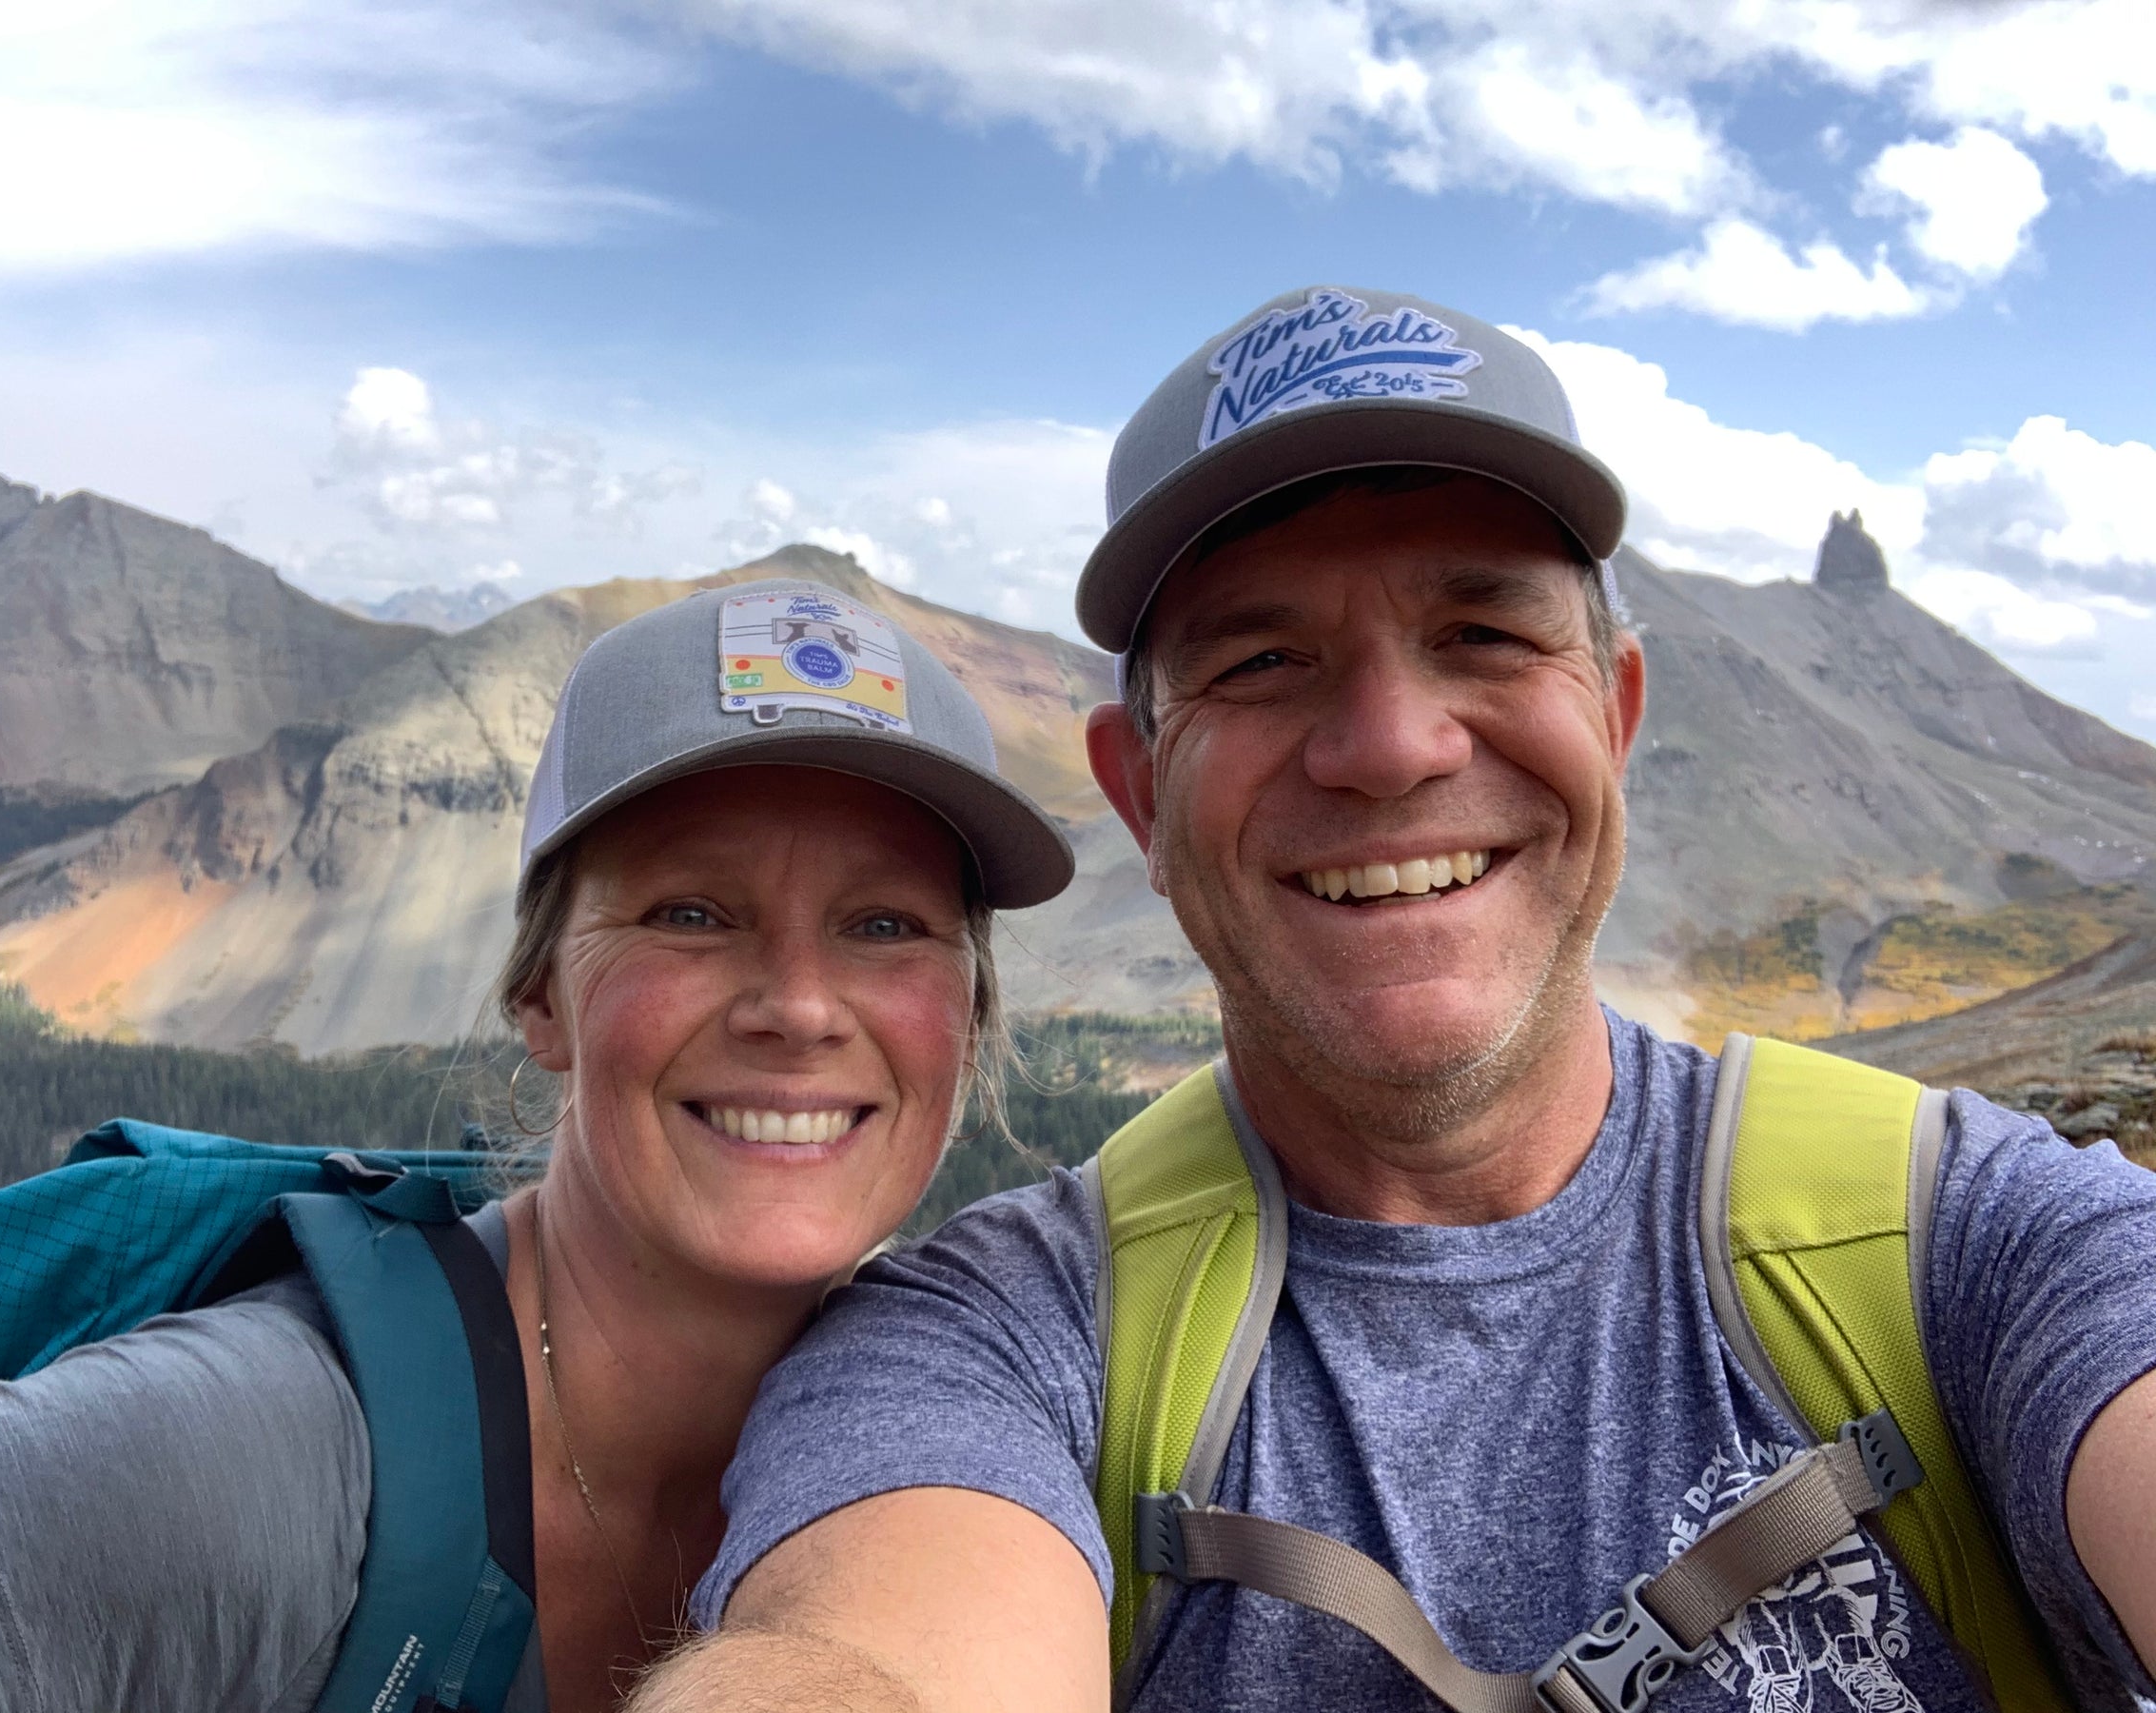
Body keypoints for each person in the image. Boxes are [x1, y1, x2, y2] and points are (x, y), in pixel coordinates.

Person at [632, 289, 2156, 1713]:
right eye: (1266, 658)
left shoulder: (1980, 1241)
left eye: (1483, 634)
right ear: (1142, 793)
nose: (1390, 744)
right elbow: (861, 1654)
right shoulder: (987, 1345)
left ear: (1613, 714)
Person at [0, 577, 1074, 1713]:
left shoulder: (983, 1404)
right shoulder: (235, 1454)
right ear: (541, 996)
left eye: (884, 925)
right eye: (691, 914)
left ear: (965, 1021)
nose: (800, 1006)